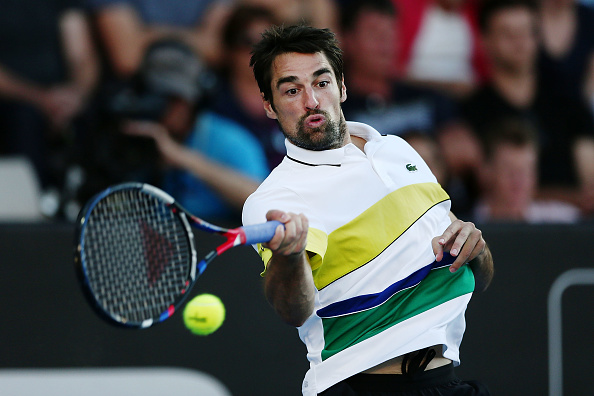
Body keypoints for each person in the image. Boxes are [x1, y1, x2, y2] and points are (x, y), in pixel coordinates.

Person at [242, 24, 494, 395]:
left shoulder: (399, 150)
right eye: (292, 90)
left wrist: (479, 247)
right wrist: (289, 255)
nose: (311, 100)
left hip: (445, 381)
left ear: (342, 87)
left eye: (322, 82)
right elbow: (293, 310)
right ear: (269, 105)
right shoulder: (272, 201)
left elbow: (480, 274)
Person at [81, 40, 268, 222]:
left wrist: (181, 158)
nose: (169, 107)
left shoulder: (230, 141)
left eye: (177, 99)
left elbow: (264, 204)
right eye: (158, 96)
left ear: (194, 101)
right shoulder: (132, 133)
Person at [338, 0, 482, 215]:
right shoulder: (338, 108)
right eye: (375, 34)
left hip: (442, 213)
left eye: (391, 34)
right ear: (348, 40)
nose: (385, 44)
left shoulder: (427, 98)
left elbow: (465, 153)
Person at [462, 0, 594, 216]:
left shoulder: (568, 103)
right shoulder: (470, 111)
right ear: (484, 41)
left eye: (527, 32)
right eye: (507, 33)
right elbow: (490, 193)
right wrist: (570, 198)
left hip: (571, 230)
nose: (519, 42)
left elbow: (589, 186)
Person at [0, 0, 99, 191]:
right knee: (24, 118)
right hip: (15, 103)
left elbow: (82, 57)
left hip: (62, 102)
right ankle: (31, 208)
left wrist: (76, 95)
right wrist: (41, 99)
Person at [472, 117, 581, 223]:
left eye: (526, 171)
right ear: (486, 171)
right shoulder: (463, 224)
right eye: (509, 171)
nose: (518, 182)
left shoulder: (563, 222)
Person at [392, 0, 489, 98]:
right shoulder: (407, 8)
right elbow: (395, 69)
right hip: (417, 93)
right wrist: (444, 87)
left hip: (469, 97)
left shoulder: (476, 15)